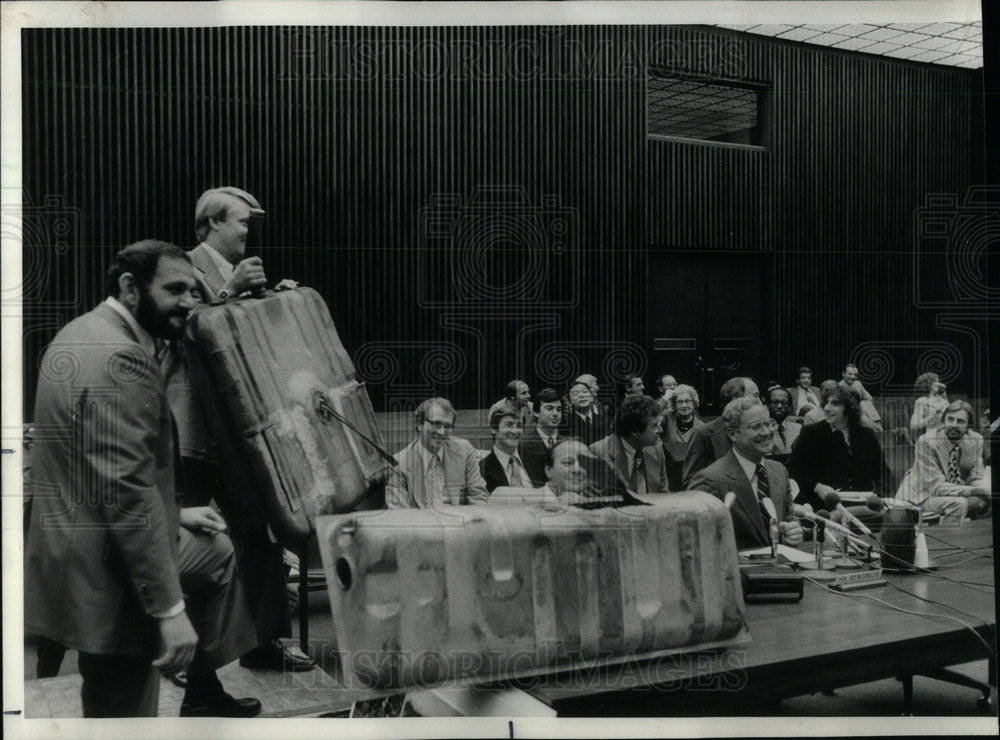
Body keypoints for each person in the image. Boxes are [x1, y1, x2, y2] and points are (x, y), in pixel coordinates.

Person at [24, 241, 259, 717]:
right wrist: (171, 613)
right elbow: (126, 495)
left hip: (69, 546)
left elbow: (90, 462)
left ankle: (202, 689)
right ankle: (189, 666)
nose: (190, 302)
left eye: (194, 290)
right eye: (175, 290)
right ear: (130, 288)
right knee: (125, 713)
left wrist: (177, 512)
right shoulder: (123, 361)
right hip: (106, 569)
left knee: (215, 551)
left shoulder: (79, 333)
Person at [165, 186, 312, 673]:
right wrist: (230, 294)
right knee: (189, 544)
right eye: (241, 221)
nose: (249, 230)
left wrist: (273, 305)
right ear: (209, 225)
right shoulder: (181, 268)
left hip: (238, 432)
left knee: (261, 535)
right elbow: (177, 335)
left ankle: (264, 644)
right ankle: (185, 656)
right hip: (191, 433)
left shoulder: (242, 277)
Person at [689, 398, 803, 550]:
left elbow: (789, 522)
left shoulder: (779, 471)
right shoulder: (710, 480)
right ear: (732, 434)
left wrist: (793, 533)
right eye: (756, 426)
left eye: (769, 423)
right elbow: (696, 543)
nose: (766, 432)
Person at [787, 385, 893, 517]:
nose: (827, 408)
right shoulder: (811, 433)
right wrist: (816, 486)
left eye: (835, 404)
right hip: (826, 509)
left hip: (865, 508)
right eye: (826, 403)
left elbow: (884, 475)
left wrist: (877, 498)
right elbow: (792, 472)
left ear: (849, 408)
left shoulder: (867, 435)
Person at [386, 397, 490, 508]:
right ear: (419, 424)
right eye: (436, 424)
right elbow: (400, 515)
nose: (441, 432)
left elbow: (478, 497)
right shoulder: (398, 464)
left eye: (447, 426)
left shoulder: (464, 450)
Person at [896, 401, 990, 520]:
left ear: (968, 425)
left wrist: (986, 490)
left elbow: (975, 477)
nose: (954, 425)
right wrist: (974, 490)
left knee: (991, 497)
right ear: (944, 420)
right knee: (959, 504)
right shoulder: (926, 442)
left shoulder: (976, 440)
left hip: (953, 492)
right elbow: (936, 487)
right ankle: (948, 537)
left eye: (960, 421)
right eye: (950, 419)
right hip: (920, 496)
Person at [682, 377, 760, 487]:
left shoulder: (759, 432)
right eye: (756, 396)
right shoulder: (704, 433)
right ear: (736, 399)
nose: (761, 402)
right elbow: (691, 483)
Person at [590, 395, 669, 495]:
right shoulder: (598, 453)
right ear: (634, 430)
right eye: (655, 426)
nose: (660, 431)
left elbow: (663, 494)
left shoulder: (656, 449)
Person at [539, 439, 646, 508]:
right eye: (568, 463)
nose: (577, 470)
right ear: (549, 470)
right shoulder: (525, 502)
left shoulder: (602, 506)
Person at [521, 387, 564, 486]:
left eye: (559, 409)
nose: (555, 414)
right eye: (549, 408)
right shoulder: (522, 445)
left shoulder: (567, 444)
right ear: (536, 412)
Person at [479, 409, 530, 492]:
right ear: (493, 429)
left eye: (519, 426)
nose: (515, 431)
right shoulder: (481, 471)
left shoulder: (536, 459)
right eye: (509, 425)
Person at [660, 384, 705, 463]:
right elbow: (650, 416)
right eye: (680, 402)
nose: (684, 405)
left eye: (687, 401)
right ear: (674, 404)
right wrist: (665, 399)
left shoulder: (701, 426)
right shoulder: (667, 417)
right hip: (668, 465)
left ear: (694, 402)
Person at [565, 380, 609, 446]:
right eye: (575, 393)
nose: (582, 395)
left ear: (591, 397)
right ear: (569, 401)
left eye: (585, 392)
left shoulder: (605, 419)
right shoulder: (567, 423)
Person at [840, 363, 882, 430]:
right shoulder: (839, 387)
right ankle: (878, 430)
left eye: (855, 375)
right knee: (872, 427)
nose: (853, 377)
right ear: (843, 374)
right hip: (849, 414)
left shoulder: (857, 384)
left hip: (861, 411)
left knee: (865, 404)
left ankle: (879, 429)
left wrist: (864, 405)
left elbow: (869, 397)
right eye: (850, 374)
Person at [909, 372, 949, 440]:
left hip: (948, 437)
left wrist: (944, 394)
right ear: (928, 384)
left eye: (938, 381)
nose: (939, 384)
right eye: (936, 381)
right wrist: (932, 418)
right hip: (933, 438)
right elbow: (913, 425)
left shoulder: (943, 400)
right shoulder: (922, 401)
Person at [765, 386, 802, 456]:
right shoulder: (762, 429)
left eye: (784, 403)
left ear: (789, 407)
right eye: (775, 402)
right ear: (767, 405)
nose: (779, 406)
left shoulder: (798, 428)